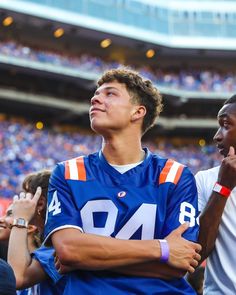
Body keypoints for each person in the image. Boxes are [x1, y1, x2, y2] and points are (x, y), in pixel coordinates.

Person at [44, 68, 201, 294]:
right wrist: (162, 248)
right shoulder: (68, 172)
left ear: (137, 112)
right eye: (96, 94)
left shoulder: (175, 175)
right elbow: (69, 250)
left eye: (110, 94)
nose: (95, 98)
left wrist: (86, 258)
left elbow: (179, 263)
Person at [196, 94, 236, 295]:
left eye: (226, 125)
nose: (217, 136)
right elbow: (198, 251)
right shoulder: (205, 179)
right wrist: (223, 187)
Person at [7, 170, 66, 295]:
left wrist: (20, 219)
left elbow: (16, 277)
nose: (20, 202)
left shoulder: (55, 246)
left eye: (26, 195)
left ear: (40, 203)